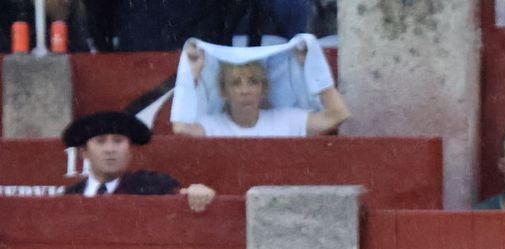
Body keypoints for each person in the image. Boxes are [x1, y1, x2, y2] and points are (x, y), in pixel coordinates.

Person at [172, 42, 350, 137]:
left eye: (253, 82)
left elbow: (338, 114)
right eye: (235, 83)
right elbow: (180, 129)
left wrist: (311, 66)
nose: (245, 90)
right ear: (224, 92)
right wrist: (192, 72)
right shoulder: (211, 125)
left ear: (263, 88)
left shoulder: (287, 120)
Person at [60, 111, 216, 212]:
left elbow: (184, 197)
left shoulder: (154, 187)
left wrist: (198, 192)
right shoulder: (69, 197)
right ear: (84, 153)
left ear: (130, 152)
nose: (110, 149)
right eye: (100, 141)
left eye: (118, 141)